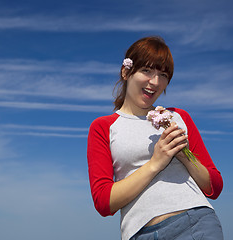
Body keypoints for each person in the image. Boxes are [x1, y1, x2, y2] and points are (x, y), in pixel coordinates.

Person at [87, 36, 223, 240]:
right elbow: (104, 202)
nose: (155, 82)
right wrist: (155, 163)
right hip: (140, 232)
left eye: (163, 75)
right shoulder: (103, 127)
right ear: (126, 72)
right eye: (147, 71)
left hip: (195, 221)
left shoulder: (178, 117)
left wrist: (183, 154)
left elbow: (213, 186)